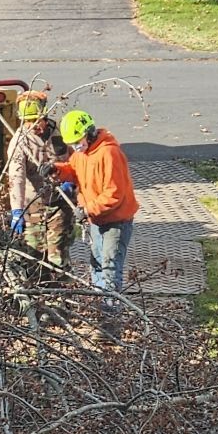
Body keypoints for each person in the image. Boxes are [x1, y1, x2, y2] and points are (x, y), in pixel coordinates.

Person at [53, 109, 138, 306]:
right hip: (97, 221)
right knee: (97, 266)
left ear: (89, 134)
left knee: (109, 269)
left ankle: (110, 320)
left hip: (115, 222)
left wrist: (87, 209)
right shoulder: (82, 153)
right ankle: (101, 311)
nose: (75, 147)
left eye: (78, 141)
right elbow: (73, 170)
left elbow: (114, 195)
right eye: (72, 144)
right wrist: (57, 170)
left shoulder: (109, 153)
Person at [6, 91, 75, 273]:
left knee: (58, 256)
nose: (33, 125)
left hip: (61, 203)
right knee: (35, 258)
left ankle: (62, 294)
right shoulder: (20, 142)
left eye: (36, 120)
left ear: (44, 115)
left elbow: (76, 159)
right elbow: (16, 177)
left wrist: (72, 181)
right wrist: (17, 210)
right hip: (33, 207)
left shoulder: (60, 132)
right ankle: (38, 295)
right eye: (28, 121)